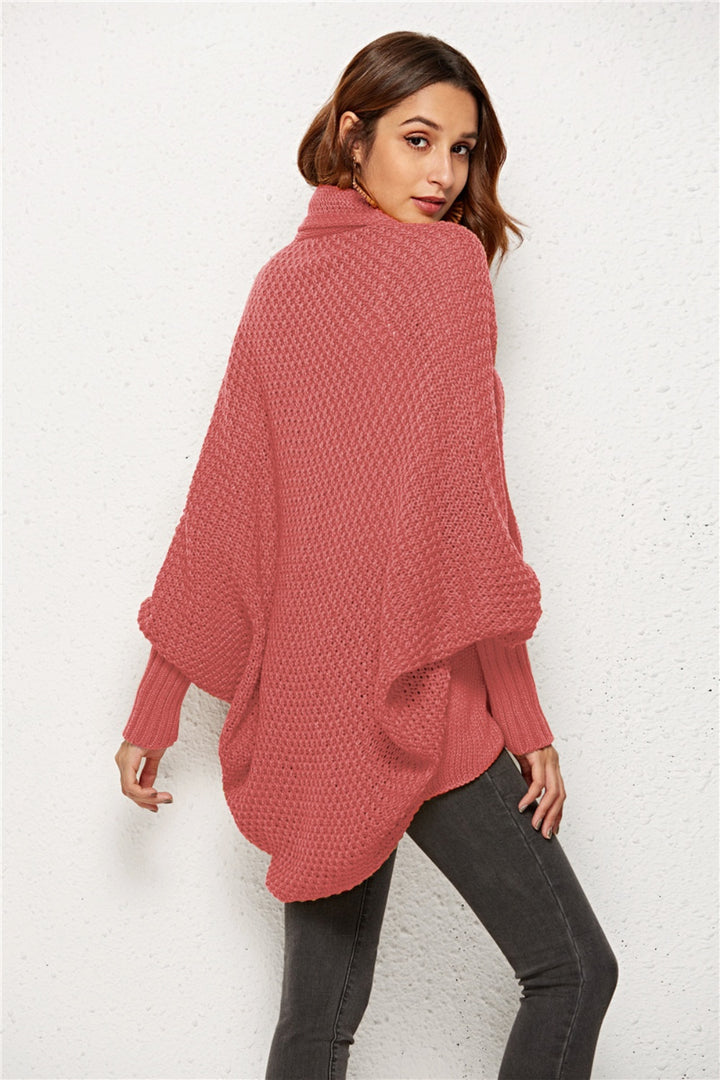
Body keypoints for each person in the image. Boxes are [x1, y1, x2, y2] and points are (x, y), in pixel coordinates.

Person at [115, 30, 618, 1080]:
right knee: (572, 971)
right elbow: (449, 515)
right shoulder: (443, 272)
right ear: (354, 138)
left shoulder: (284, 283)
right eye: (417, 140)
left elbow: (236, 503)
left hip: (314, 709)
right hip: (416, 698)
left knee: (319, 1027)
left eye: (462, 150)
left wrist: (156, 707)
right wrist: (522, 719)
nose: (443, 175)